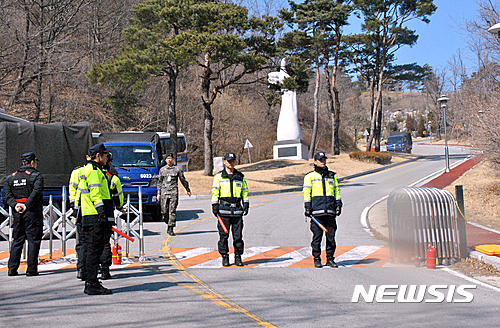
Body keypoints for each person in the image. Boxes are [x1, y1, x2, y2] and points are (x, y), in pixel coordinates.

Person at [78, 143, 114, 295]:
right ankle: (92, 283)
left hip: (88, 215)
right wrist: (102, 213)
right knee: (94, 250)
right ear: (98, 156)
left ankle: (90, 280)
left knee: (89, 249)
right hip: (95, 217)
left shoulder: (86, 169)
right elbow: (95, 194)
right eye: (105, 155)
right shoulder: (93, 171)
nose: (107, 158)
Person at [4, 152, 44, 276]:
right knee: (33, 240)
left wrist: (16, 205)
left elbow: (7, 195)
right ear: (32, 162)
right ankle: (31, 269)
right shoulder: (35, 176)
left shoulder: (11, 177)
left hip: (17, 213)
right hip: (32, 212)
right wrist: (26, 205)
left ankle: (12, 269)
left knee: (17, 240)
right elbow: (36, 192)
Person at [303, 152, 342, 268]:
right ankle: (317, 259)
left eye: (324, 159)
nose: (323, 162)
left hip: (330, 212)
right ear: (315, 162)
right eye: (320, 160)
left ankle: (330, 259)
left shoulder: (332, 176)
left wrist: (338, 204)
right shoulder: (309, 176)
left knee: (331, 238)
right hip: (316, 213)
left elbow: (337, 191)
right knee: (317, 238)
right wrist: (307, 207)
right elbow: (306, 193)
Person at [211, 152, 249, 267]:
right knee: (223, 236)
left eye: (233, 161)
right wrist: (214, 205)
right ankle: (225, 257)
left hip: (237, 211)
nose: (231, 163)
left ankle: (238, 256)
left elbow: (245, 191)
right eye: (229, 161)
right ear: (224, 162)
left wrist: (246, 203)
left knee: (238, 236)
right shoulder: (219, 177)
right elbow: (215, 192)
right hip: (224, 211)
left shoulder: (240, 176)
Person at [99, 152, 125, 280]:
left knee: (90, 243)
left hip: (89, 213)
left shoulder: (89, 173)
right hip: (107, 212)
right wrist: (120, 207)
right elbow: (118, 196)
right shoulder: (112, 178)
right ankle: (105, 270)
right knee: (104, 242)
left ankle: (85, 270)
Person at [157, 152, 191, 236]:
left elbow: (182, 179)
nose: (169, 160)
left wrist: (187, 189)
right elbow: (159, 182)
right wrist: (158, 193)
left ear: (173, 160)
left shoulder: (177, 169)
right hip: (164, 193)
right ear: (165, 160)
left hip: (173, 192)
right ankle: (167, 221)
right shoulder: (162, 170)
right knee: (164, 211)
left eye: (170, 159)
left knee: (172, 210)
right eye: (168, 159)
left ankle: (171, 227)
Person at [68, 154, 91, 280]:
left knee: (81, 242)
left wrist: (73, 207)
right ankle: (92, 269)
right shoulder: (94, 172)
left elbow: (72, 190)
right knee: (92, 243)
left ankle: (81, 269)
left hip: (79, 210)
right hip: (90, 211)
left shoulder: (76, 171)